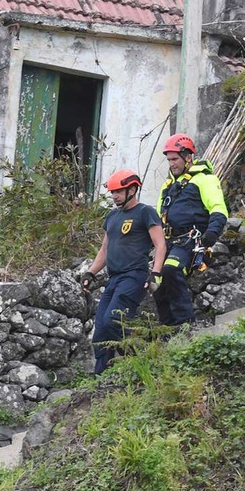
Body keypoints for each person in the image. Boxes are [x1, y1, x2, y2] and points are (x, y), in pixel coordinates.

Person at [82, 169, 166, 374]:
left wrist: (155, 273)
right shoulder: (112, 217)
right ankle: (100, 378)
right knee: (100, 331)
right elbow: (104, 250)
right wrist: (90, 273)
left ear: (133, 189)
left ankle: (140, 364)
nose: (114, 196)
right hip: (113, 279)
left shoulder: (145, 212)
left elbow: (160, 244)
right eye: (112, 192)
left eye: (119, 191)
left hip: (134, 276)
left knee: (114, 320)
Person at [155, 133, 228, 327]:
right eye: (169, 160)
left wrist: (210, 236)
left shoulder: (205, 179)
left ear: (188, 157)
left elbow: (219, 209)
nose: (171, 164)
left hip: (191, 241)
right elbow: (157, 219)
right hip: (168, 242)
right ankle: (168, 329)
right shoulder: (167, 187)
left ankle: (185, 324)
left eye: (175, 159)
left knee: (171, 269)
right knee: (156, 283)